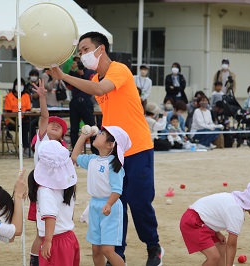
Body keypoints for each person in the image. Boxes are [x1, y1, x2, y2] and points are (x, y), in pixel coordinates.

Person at [47, 31, 163, 265]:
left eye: (85, 49)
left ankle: (154, 247)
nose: (82, 55)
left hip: (138, 146)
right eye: (80, 52)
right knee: (115, 203)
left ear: (101, 49)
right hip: (113, 150)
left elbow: (101, 91)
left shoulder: (118, 69)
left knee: (139, 201)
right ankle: (117, 254)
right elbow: (94, 89)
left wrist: (64, 76)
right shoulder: (94, 80)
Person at [71, 126, 131, 266]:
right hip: (95, 205)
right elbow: (74, 156)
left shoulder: (113, 164)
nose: (98, 134)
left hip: (110, 208)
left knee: (107, 250)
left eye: (102, 134)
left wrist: (109, 204)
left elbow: (117, 189)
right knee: (96, 249)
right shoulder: (92, 159)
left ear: (110, 145)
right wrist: (82, 137)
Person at [180, 180, 250, 266]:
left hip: (201, 221)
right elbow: (231, 245)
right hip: (193, 223)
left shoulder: (234, 199)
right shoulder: (236, 212)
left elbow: (210, 213)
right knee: (214, 257)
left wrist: (217, 232)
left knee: (222, 249)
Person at [27, 80, 69, 266]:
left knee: (56, 229)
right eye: (52, 124)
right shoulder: (42, 142)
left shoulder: (62, 151)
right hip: (42, 191)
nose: (54, 125)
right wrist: (43, 98)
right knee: (41, 232)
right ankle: (35, 261)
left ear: (62, 137)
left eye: (59, 127)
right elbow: (44, 117)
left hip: (58, 193)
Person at [30, 140, 79, 265]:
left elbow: (50, 216)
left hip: (55, 241)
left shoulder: (45, 190)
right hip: (69, 238)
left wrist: (47, 241)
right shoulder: (68, 186)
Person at [68, 55, 98, 155]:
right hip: (75, 101)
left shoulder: (91, 71)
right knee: (74, 129)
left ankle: (95, 150)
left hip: (86, 101)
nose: (79, 64)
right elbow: (68, 84)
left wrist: (82, 74)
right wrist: (72, 71)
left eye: (80, 62)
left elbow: (91, 84)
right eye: (76, 62)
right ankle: (75, 150)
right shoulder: (73, 73)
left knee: (92, 127)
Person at [4, 78, 32, 156]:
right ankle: (25, 147)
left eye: (22, 84)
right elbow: (8, 111)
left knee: (31, 125)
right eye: (18, 84)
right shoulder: (9, 96)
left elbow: (28, 110)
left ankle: (30, 147)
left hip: (24, 119)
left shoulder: (26, 96)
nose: (20, 86)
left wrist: (23, 118)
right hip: (12, 121)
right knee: (24, 126)